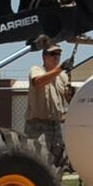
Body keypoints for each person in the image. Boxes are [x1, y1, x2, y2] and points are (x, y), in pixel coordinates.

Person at [26, 41, 73, 176]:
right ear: (44, 56)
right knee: (38, 164)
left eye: (58, 54)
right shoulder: (37, 70)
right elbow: (39, 82)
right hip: (38, 126)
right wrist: (60, 69)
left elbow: (68, 98)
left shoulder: (62, 77)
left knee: (57, 165)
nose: (56, 57)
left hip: (56, 126)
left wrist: (71, 93)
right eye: (53, 54)